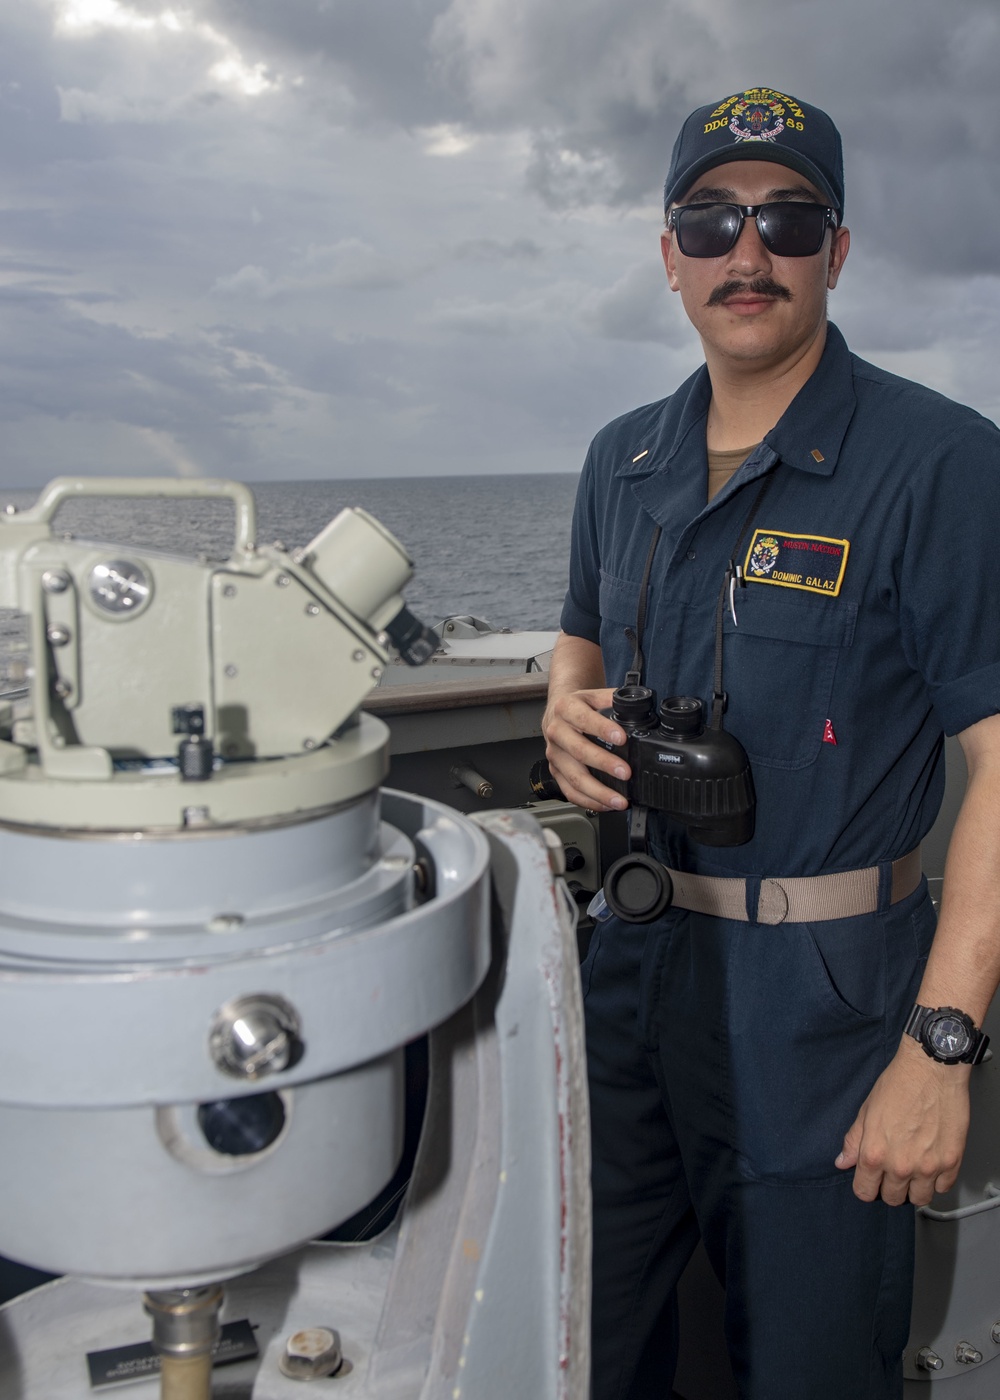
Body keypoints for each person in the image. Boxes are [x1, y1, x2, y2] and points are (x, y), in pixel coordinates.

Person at [542, 86, 1000, 1400]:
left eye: (787, 221)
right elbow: (578, 638)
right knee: (581, 1342)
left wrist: (941, 1046)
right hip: (626, 980)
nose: (749, 254)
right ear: (671, 252)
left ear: (837, 251)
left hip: (828, 1013)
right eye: (714, 219)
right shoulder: (618, 460)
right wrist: (563, 706)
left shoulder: (939, 464)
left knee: (809, 1371)